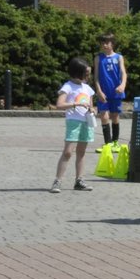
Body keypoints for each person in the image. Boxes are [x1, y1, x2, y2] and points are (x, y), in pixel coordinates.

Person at [51, 58, 97, 192]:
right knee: (68, 152)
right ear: (78, 73)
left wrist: (92, 110)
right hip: (74, 122)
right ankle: (57, 181)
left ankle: (79, 180)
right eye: (86, 74)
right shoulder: (68, 86)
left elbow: (91, 106)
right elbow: (59, 105)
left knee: (81, 152)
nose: (88, 76)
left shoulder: (88, 89)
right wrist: (76, 104)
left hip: (86, 122)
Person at [92, 33, 129, 146]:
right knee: (104, 116)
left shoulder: (119, 57)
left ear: (112, 44)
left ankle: (115, 141)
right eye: (102, 43)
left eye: (107, 43)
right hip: (103, 92)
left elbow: (123, 73)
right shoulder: (98, 58)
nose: (104, 45)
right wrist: (98, 91)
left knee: (115, 116)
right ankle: (107, 143)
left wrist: (122, 85)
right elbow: (96, 77)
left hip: (116, 92)